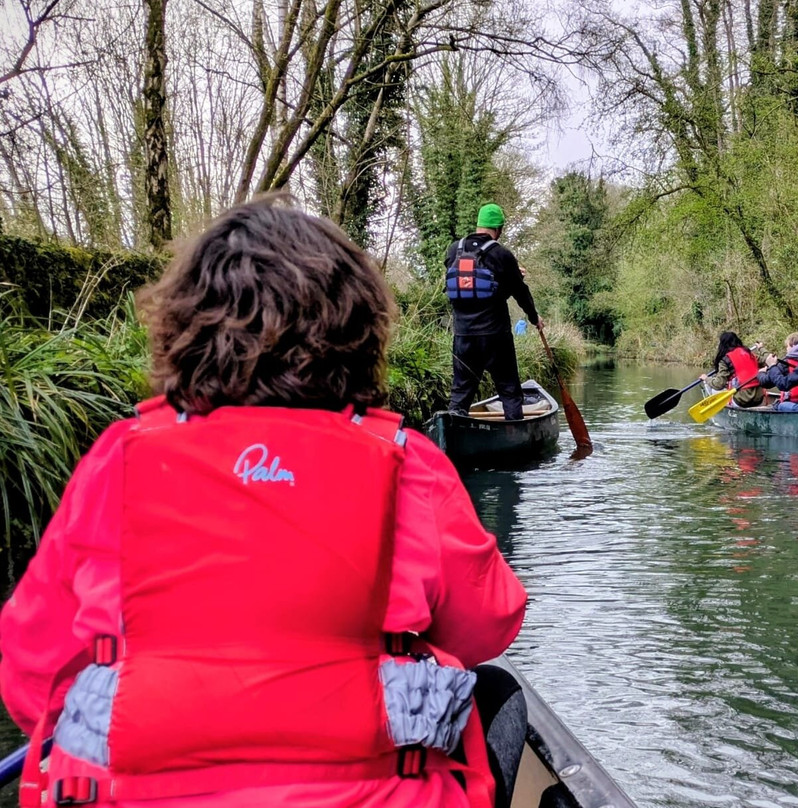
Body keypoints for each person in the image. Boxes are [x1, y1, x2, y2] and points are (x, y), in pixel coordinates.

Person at [0, 197, 528, 808]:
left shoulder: (119, 457)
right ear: (357, 334)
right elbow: (489, 623)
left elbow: (32, 675)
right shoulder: (409, 463)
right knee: (493, 692)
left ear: (184, 329)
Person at [444, 204, 541, 420]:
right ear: (498, 229)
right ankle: (514, 434)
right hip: (496, 337)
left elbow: (468, 289)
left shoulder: (454, 250)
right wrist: (534, 318)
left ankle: (454, 434)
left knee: (460, 394)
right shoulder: (502, 254)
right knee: (509, 392)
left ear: (479, 225)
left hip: (463, 337)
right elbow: (519, 292)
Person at [699, 331, 765, 408]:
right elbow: (765, 361)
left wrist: (706, 379)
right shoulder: (749, 354)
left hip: (742, 401)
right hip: (759, 399)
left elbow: (719, 385)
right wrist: (761, 348)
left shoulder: (725, 360)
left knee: (713, 389)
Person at [758, 331, 798, 411]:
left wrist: (761, 373)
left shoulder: (785, 364)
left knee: (776, 406)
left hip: (793, 405)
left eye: (787, 346)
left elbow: (766, 383)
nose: (786, 349)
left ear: (793, 346)